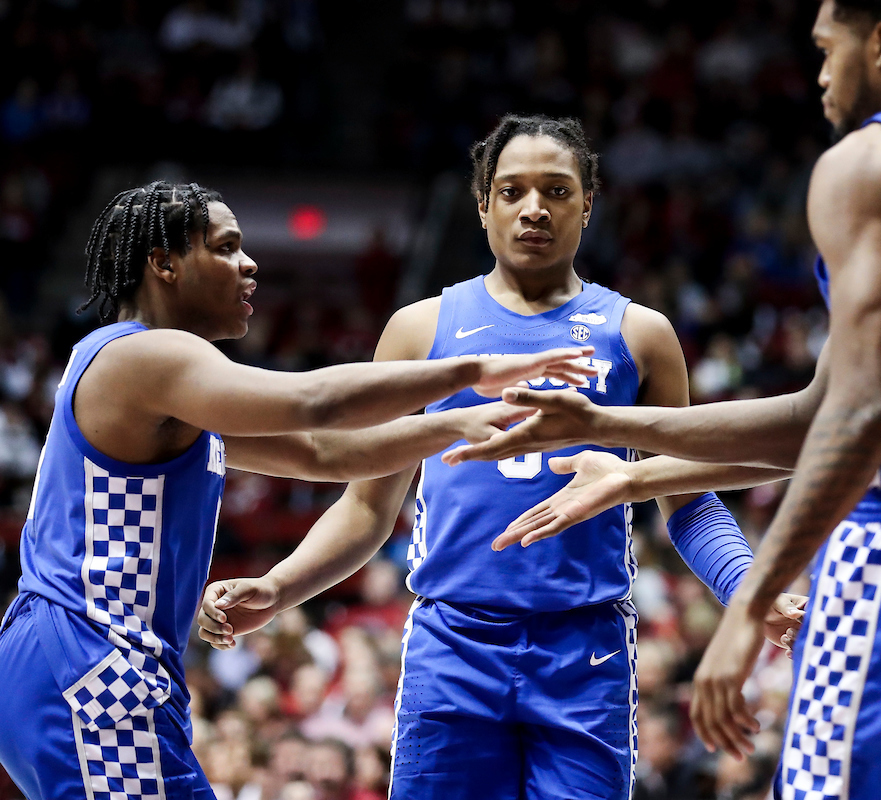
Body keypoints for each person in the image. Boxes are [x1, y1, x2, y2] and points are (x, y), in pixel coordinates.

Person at [445, 2, 881, 797]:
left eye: (826, 48)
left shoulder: (869, 164)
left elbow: (853, 414)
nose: (819, 73)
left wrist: (748, 605)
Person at [196, 117, 804, 800]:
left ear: (588, 204)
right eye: (512, 191)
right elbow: (368, 506)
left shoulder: (641, 334)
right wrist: (279, 588)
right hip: (452, 642)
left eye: (556, 190)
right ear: (482, 205)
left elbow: (688, 496)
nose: (534, 208)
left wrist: (747, 586)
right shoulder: (420, 328)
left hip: (586, 647)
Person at [0, 180, 598, 800]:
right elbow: (313, 403)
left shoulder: (161, 386)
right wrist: (474, 368)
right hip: (90, 654)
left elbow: (321, 454)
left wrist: (454, 422)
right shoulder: (147, 355)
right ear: (164, 264)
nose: (249, 263)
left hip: (76, 657)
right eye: (226, 247)